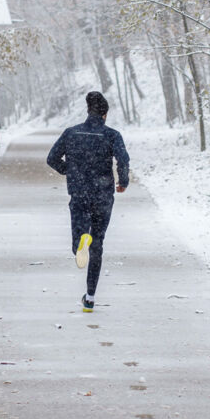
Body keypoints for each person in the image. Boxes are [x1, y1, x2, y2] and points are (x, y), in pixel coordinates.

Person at [46, 91, 130, 312]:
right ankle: (90, 297)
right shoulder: (112, 135)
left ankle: (80, 243)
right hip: (103, 195)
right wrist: (123, 182)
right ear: (104, 115)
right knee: (98, 243)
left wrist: (70, 171)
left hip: (79, 193)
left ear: (88, 111)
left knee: (81, 239)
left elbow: (51, 158)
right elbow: (123, 159)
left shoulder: (71, 133)